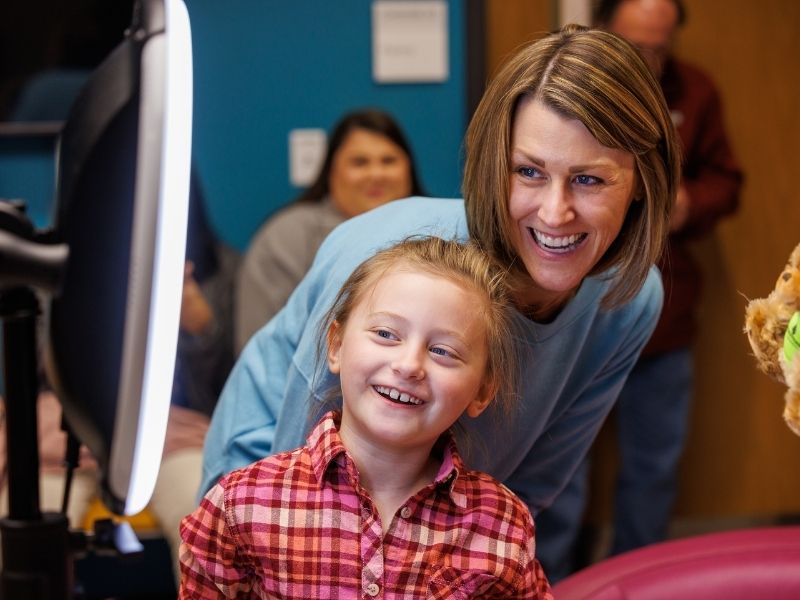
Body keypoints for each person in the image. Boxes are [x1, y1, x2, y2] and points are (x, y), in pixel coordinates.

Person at [199, 24, 682, 578]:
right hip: (266, 498)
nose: (554, 212)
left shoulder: (630, 302)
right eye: (528, 171)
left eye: (590, 180)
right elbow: (290, 500)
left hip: (431, 527)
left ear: (642, 181)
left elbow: (529, 487)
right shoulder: (389, 256)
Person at [180, 237, 554, 598]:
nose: (408, 365)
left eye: (443, 351)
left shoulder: (501, 523)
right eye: (386, 334)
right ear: (337, 345)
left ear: (483, 391)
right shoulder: (240, 504)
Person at [534, 0, 743, 580]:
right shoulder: (566, 89)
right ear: (604, 30)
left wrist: (688, 203)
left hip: (664, 313)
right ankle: (548, 581)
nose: (647, 60)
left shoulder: (695, 92)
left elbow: (727, 181)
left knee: (653, 467)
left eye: (659, 48)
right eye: (635, 46)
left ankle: (639, 583)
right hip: (572, 315)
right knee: (559, 469)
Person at [234, 108, 427, 353]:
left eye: (388, 161)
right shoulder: (286, 237)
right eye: (360, 162)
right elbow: (261, 352)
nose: (376, 174)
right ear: (331, 171)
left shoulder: (442, 234)